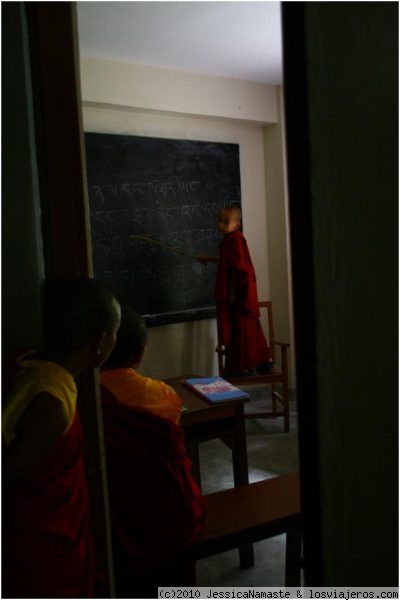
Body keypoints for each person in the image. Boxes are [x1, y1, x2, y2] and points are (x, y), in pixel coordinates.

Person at [2, 278, 121, 598]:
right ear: (99, 342)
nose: (114, 340)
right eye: (114, 333)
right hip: (40, 549)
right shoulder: (52, 404)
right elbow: (8, 477)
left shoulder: (35, 363)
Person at [100, 306, 206, 598]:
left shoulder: (86, 397)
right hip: (169, 516)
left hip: (115, 520)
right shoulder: (164, 395)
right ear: (141, 353)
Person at [197, 204, 272, 375]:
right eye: (219, 221)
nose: (220, 225)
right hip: (235, 296)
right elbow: (227, 261)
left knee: (244, 331)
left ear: (236, 225)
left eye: (225, 222)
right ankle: (250, 364)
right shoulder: (229, 241)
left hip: (239, 296)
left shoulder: (236, 240)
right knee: (242, 331)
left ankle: (246, 366)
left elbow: (239, 269)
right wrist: (207, 258)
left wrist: (230, 296)